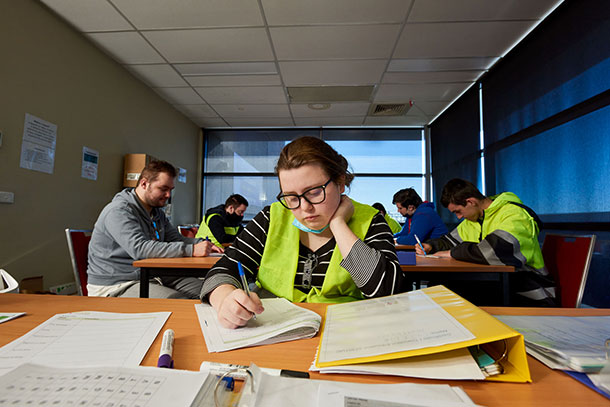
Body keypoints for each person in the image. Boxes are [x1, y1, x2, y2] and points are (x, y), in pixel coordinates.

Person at [201, 137, 404, 329]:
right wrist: (224, 298)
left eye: (315, 192)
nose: (304, 207)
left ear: (340, 182)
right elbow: (221, 271)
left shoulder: (371, 220)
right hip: (273, 331)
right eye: (291, 197)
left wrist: (339, 225)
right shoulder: (271, 218)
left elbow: (388, 292)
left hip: (347, 333)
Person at [87, 160, 223, 298]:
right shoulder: (119, 211)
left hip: (152, 275)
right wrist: (192, 250)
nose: (168, 195)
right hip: (118, 284)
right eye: (163, 189)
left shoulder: (156, 212)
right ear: (144, 184)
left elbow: (175, 238)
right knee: (178, 301)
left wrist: (200, 244)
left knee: (211, 291)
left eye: (170, 190)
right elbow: (140, 249)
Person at [415, 178, 556, 306]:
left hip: (528, 290)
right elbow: (450, 241)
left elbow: (494, 251)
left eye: (458, 211)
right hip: (497, 282)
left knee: (448, 291)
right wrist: (430, 246)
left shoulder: (514, 214)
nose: (458, 217)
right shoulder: (474, 219)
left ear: (471, 202)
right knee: (440, 286)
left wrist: (452, 253)